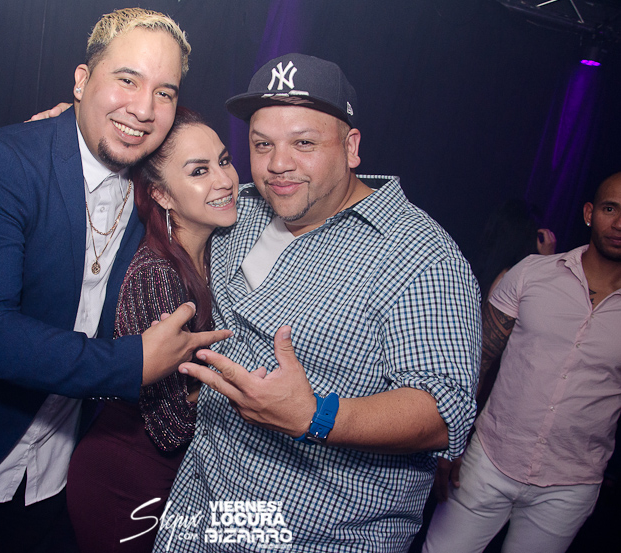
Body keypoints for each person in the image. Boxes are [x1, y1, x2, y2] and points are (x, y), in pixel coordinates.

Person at [0, 8, 230, 553]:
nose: (143, 108)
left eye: (164, 93)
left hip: (55, 473)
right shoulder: (2, 163)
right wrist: (134, 362)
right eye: (127, 80)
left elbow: (233, 194)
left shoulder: (150, 189)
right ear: (82, 81)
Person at [153, 54, 481, 552]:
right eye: (262, 144)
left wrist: (317, 417)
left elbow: (445, 409)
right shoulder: (241, 209)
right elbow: (154, 192)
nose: (278, 164)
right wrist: (77, 130)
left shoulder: (418, 254)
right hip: (198, 510)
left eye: (303, 143)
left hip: (317, 535)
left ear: (351, 148)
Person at [66, 107, 239, 552]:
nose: (224, 180)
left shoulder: (217, 252)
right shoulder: (156, 274)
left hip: (177, 476)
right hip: (126, 477)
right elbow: (169, 426)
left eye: (224, 160)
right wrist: (242, 387)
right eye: (199, 171)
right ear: (161, 194)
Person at [423, 173, 621, 553]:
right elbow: (478, 360)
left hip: (570, 484)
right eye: (610, 209)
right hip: (489, 460)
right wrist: (452, 443)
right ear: (589, 213)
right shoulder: (532, 272)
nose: (619, 223)